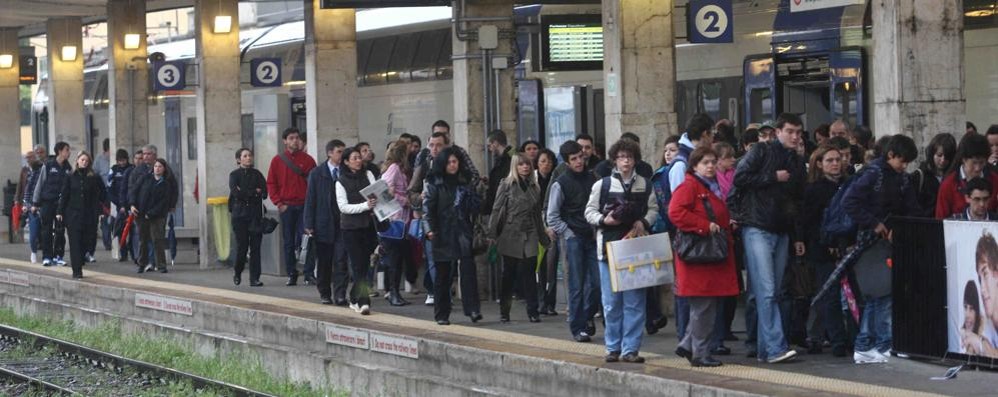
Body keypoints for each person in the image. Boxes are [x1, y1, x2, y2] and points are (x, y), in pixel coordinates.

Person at [731, 113, 807, 364]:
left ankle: (768, 349)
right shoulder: (761, 152)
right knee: (766, 290)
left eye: (798, 132)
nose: (795, 137)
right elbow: (739, 179)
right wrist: (773, 177)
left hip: (779, 228)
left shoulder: (796, 161)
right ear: (778, 131)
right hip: (757, 226)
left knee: (772, 290)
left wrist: (796, 234)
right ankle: (774, 347)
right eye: (791, 131)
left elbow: (796, 201)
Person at [841, 134, 920, 364]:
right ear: (891, 155)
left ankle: (869, 344)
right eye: (902, 161)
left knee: (879, 295)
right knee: (881, 294)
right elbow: (849, 202)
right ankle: (878, 343)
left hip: (884, 241)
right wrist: (875, 224)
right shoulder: (874, 174)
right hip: (870, 242)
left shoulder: (896, 177)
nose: (904, 167)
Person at [585, 138, 658, 364]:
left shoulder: (645, 185)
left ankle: (631, 349)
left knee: (635, 301)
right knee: (611, 302)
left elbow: (654, 209)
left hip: (635, 248)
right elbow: (588, 212)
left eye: (629, 157)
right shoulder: (603, 185)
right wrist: (604, 220)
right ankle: (613, 347)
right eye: (621, 157)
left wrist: (643, 222)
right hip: (608, 249)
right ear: (614, 160)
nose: (626, 161)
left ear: (635, 160)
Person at [669, 146, 739, 367]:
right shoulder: (690, 186)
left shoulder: (707, 185)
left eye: (712, 162)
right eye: (705, 163)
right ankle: (700, 353)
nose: (710, 166)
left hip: (707, 255)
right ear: (695, 165)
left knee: (705, 306)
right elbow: (675, 212)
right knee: (704, 307)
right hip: (700, 256)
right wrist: (705, 226)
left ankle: (689, 344)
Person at [422, 146, 482, 325]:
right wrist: (429, 230)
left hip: (462, 230)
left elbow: (475, 206)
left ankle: (472, 309)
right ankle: (442, 313)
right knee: (443, 275)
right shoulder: (435, 183)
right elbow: (428, 210)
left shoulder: (465, 182)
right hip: (442, 232)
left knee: (468, 270)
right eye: (449, 162)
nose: (453, 165)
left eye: (455, 161)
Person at [799, 145, 849, 357]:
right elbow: (808, 221)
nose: (835, 164)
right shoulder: (814, 189)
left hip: (846, 245)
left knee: (843, 295)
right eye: (829, 160)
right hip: (822, 247)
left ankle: (831, 336)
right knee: (828, 294)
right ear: (820, 164)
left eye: (837, 159)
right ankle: (834, 339)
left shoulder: (847, 185)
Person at [548, 141, 600, 342]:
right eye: (574, 159)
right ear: (567, 162)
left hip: (592, 235)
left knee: (597, 283)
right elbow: (552, 216)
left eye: (581, 157)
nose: (579, 161)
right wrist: (567, 233)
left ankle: (586, 317)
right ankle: (578, 326)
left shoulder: (593, 178)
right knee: (576, 284)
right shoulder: (560, 183)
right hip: (573, 238)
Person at [490, 153, 549, 323]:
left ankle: (533, 310)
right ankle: (505, 310)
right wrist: (492, 233)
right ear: (515, 167)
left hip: (530, 231)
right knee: (509, 272)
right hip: (510, 232)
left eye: (527, 164)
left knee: (530, 269)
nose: (525, 167)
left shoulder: (534, 187)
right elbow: (496, 209)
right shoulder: (506, 184)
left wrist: (543, 238)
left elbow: (537, 215)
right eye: (521, 165)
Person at [671, 114, 714, 340]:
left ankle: (693, 341)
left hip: (699, 236)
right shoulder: (681, 165)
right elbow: (678, 208)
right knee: (688, 291)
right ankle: (685, 338)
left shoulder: (686, 160)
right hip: (690, 239)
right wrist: (704, 224)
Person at [267, 127, 317, 286]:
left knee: (308, 239)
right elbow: (271, 183)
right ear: (285, 141)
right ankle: (291, 273)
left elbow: (314, 184)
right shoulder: (277, 160)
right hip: (287, 206)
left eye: (296, 138)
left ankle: (309, 273)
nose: (294, 141)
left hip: (304, 205)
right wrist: (279, 203)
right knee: (288, 241)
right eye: (291, 138)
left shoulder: (308, 160)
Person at [305, 140, 350, 305]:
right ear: (330, 153)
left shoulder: (346, 172)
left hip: (343, 223)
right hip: (323, 223)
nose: (342, 155)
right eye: (339, 151)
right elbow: (310, 200)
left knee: (341, 260)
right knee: (324, 261)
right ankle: (324, 292)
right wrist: (308, 224)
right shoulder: (317, 173)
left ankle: (340, 294)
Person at [336, 147, 379, 316]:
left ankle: (353, 297)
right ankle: (363, 301)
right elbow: (343, 207)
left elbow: (376, 193)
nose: (358, 161)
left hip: (368, 226)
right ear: (346, 162)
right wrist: (364, 206)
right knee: (358, 265)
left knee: (365, 264)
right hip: (350, 228)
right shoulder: (340, 181)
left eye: (359, 157)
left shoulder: (368, 175)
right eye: (354, 158)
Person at [56, 151, 106, 279]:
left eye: (87, 160)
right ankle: (77, 271)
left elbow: (100, 195)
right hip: (73, 214)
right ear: (77, 161)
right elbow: (65, 194)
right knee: (75, 242)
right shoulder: (70, 176)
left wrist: (101, 211)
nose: (84, 162)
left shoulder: (94, 177)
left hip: (89, 214)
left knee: (87, 241)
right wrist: (60, 212)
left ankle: (82, 258)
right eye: (82, 160)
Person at [379, 140, 413, 306]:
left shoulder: (392, 168)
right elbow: (388, 191)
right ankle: (393, 292)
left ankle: (395, 292)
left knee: (398, 258)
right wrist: (404, 200)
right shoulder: (394, 169)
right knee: (394, 259)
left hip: (398, 219)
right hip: (395, 219)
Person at [936, 133, 998, 219]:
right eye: (974, 163)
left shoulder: (994, 180)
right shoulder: (948, 185)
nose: (977, 168)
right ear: (964, 159)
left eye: (982, 162)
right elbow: (940, 221)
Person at [229, 148, 268, 287]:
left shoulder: (257, 174)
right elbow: (236, 193)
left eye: (250, 155)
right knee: (242, 247)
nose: (248, 158)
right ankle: (238, 272)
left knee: (256, 247)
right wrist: (253, 192)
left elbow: (264, 192)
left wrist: (249, 192)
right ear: (239, 159)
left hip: (255, 215)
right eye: (245, 156)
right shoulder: (234, 175)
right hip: (239, 216)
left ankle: (255, 278)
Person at [133, 158, 178, 274]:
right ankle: (142, 263)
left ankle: (161, 265)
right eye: (156, 166)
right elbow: (135, 191)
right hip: (142, 214)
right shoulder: (145, 179)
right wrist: (132, 205)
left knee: (158, 239)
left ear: (164, 169)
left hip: (158, 215)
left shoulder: (166, 183)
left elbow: (164, 202)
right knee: (143, 240)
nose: (157, 169)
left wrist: (151, 213)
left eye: (160, 167)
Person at [32, 142, 72, 267]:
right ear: (60, 151)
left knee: (60, 230)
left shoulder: (68, 168)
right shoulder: (48, 166)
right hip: (47, 202)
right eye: (67, 150)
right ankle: (47, 257)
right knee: (46, 230)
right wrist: (35, 202)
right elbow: (40, 184)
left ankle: (58, 256)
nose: (69, 152)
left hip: (61, 205)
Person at [535, 148, 559, 316]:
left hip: (552, 229)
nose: (546, 164)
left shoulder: (555, 180)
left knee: (551, 266)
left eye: (549, 161)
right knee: (539, 267)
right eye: (543, 161)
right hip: (537, 228)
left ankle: (550, 303)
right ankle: (540, 301)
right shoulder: (532, 180)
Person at [125, 145, 158, 266]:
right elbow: (131, 189)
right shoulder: (137, 171)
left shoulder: (161, 168)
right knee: (143, 237)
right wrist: (132, 205)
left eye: (148, 154)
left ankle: (154, 262)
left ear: (155, 155)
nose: (145, 157)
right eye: (144, 154)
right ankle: (146, 261)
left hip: (156, 209)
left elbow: (171, 187)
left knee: (155, 236)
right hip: (140, 209)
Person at [913, 134, 957, 218]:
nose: (943, 160)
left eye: (947, 157)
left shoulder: (954, 177)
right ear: (932, 153)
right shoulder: (919, 176)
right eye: (939, 155)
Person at [973, 235, 998, 357]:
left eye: (985, 274)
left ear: (996, 273)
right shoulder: (986, 327)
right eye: (979, 279)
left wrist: (982, 345)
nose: (982, 289)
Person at [16, 150, 42, 263]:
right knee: (34, 231)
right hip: (31, 206)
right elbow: (23, 186)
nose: (28, 159)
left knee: (44, 232)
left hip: (43, 205)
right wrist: (22, 202)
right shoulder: (25, 170)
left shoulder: (42, 169)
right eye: (26, 158)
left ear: (35, 158)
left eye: (30, 157)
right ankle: (34, 252)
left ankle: (48, 254)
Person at [108, 149, 133, 262]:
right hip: (119, 205)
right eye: (120, 161)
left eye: (124, 160)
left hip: (131, 204)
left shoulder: (132, 169)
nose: (122, 163)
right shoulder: (114, 170)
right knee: (119, 230)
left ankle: (133, 252)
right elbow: (109, 188)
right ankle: (122, 252)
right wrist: (118, 203)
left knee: (132, 230)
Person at [484, 129, 513, 216]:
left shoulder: (508, 159)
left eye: (489, 146)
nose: (489, 149)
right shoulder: (509, 156)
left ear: (495, 143)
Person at [961, 280, 992, 355]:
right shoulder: (962, 333)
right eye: (965, 307)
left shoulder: (985, 340)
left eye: (971, 308)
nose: (967, 314)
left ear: (976, 311)